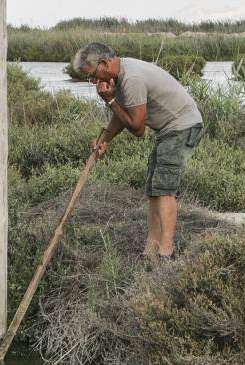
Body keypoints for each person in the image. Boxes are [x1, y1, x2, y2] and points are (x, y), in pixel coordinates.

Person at [73, 42, 204, 259]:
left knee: (163, 189)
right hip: (168, 130)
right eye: (90, 79)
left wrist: (111, 100)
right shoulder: (121, 75)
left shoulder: (132, 79)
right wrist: (102, 140)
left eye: (94, 75)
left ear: (105, 63)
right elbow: (121, 117)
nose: (95, 82)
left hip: (182, 126)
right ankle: (150, 249)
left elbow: (137, 128)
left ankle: (166, 252)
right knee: (154, 188)